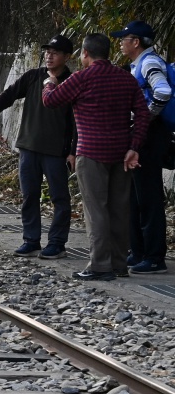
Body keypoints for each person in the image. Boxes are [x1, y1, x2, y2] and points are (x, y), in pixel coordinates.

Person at [42, 32, 149, 281]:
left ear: (86, 54)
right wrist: (135, 146)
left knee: (96, 211)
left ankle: (100, 265)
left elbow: (51, 101)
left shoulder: (81, 78)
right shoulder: (126, 79)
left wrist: (49, 82)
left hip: (90, 154)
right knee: (119, 210)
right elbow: (143, 115)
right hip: (122, 153)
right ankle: (120, 263)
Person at [0, 34, 77, 260]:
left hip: (56, 151)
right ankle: (31, 240)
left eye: (54, 53)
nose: (49, 56)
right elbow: (9, 94)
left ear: (66, 57)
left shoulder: (72, 82)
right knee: (29, 195)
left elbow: (76, 121)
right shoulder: (34, 77)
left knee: (60, 198)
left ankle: (57, 243)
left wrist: (73, 150)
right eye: (47, 52)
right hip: (28, 147)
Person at [113, 20, 171, 274]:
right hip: (142, 136)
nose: (121, 43)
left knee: (148, 198)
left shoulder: (149, 63)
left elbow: (163, 91)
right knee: (136, 198)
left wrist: (145, 117)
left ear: (135, 42)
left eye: (124, 39)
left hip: (149, 137)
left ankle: (154, 257)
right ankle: (138, 252)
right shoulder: (139, 64)